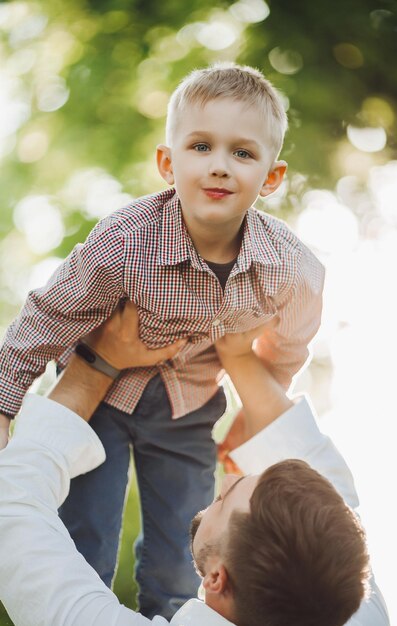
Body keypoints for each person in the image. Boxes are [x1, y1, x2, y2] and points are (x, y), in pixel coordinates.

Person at [0, 63, 325, 619]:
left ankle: (173, 612)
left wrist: (256, 409)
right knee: (85, 536)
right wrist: (4, 404)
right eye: (201, 147)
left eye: (243, 154)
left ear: (271, 177)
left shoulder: (289, 267)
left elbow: (290, 343)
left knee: (188, 544)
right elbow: (46, 318)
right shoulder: (125, 242)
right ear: (167, 163)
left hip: (189, 407)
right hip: (100, 399)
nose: (220, 166)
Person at [0, 303, 389, 626]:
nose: (221, 483)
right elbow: (330, 495)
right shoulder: (350, 608)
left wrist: (98, 361)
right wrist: (237, 356)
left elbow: (11, 507)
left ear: (218, 577)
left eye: (227, 498)